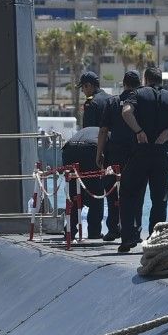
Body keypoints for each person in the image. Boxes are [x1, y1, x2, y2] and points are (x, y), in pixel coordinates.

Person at [117, 66, 168, 254]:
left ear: (145, 79)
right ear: (161, 79)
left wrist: (139, 131)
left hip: (140, 153)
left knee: (129, 195)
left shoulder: (137, 94)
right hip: (161, 153)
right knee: (159, 199)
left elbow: (126, 112)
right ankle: (156, 239)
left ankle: (128, 238)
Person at [94, 70, 139, 242]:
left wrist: (99, 153)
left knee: (111, 191)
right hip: (135, 153)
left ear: (124, 83)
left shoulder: (112, 102)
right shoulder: (139, 102)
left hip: (113, 153)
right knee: (135, 191)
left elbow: (104, 130)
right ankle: (134, 230)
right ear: (138, 84)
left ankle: (113, 229)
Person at [72, 71, 112, 238]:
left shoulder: (91, 103)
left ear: (89, 86)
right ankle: (98, 231)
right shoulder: (110, 99)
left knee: (85, 188)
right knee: (102, 189)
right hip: (109, 148)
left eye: (83, 88)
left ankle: (73, 230)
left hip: (93, 149)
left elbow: (88, 131)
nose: (83, 91)